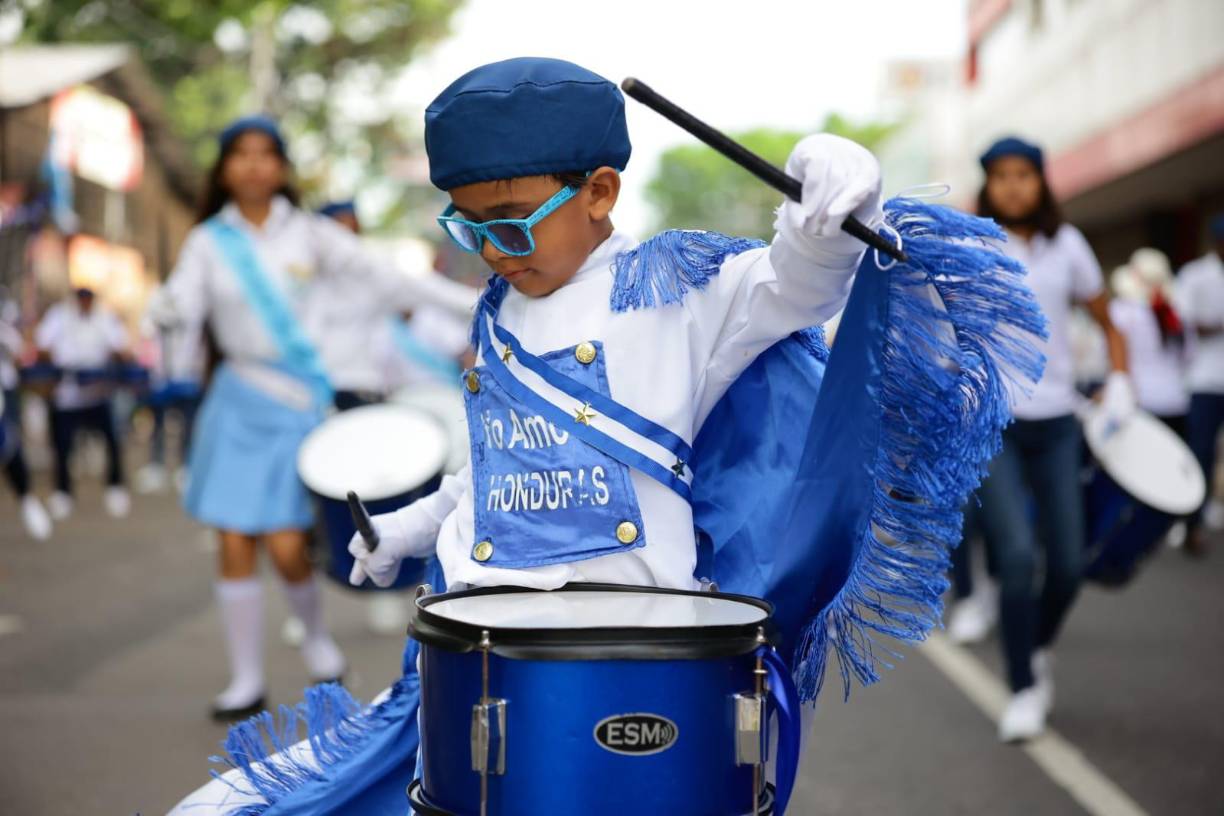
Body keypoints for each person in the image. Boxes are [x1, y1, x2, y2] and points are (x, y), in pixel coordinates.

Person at [176, 60, 1042, 814]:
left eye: (510, 222)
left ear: (598, 192)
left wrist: (828, 202)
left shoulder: (675, 289)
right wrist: (415, 523)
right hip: (476, 652)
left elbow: (797, 285)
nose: (492, 251)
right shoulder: (499, 310)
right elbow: (502, 462)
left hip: (635, 664)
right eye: (468, 227)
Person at [150, 116, 429, 720]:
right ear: (224, 168)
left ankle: (319, 643)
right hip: (236, 401)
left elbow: (381, 275)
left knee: (284, 544)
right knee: (232, 540)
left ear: (281, 167)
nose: (253, 165)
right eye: (241, 154)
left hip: (295, 403)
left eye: (265, 154)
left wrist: (465, 297)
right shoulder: (208, 241)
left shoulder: (309, 233)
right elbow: (184, 304)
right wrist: (167, 311)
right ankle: (246, 680)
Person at [973, 136, 1132, 742]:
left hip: (1061, 424)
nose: (1013, 185)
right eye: (1001, 175)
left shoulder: (1068, 244)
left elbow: (1110, 323)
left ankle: (1035, 645)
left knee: (1067, 564)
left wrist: (1120, 381)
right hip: (997, 425)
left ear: (1041, 181)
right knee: (1016, 557)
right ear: (987, 185)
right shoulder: (975, 244)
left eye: (1024, 174)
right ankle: (1021, 686)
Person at [34, 286, 133, 520]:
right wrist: (57, 364)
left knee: (112, 441)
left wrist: (113, 362)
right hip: (67, 395)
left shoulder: (104, 318)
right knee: (62, 446)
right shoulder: (59, 316)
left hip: (97, 392)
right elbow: (42, 346)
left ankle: (115, 487)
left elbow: (121, 348)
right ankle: (63, 492)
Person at [1175, 213, 1224, 557]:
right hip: (1204, 379)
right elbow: (1185, 322)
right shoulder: (1195, 275)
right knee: (1201, 453)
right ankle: (1191, 523)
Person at [1, 291, 52, 539]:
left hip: (5, 390)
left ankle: (27, 501)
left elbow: (19, 352)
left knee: (9, 447)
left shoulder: (5, 327)